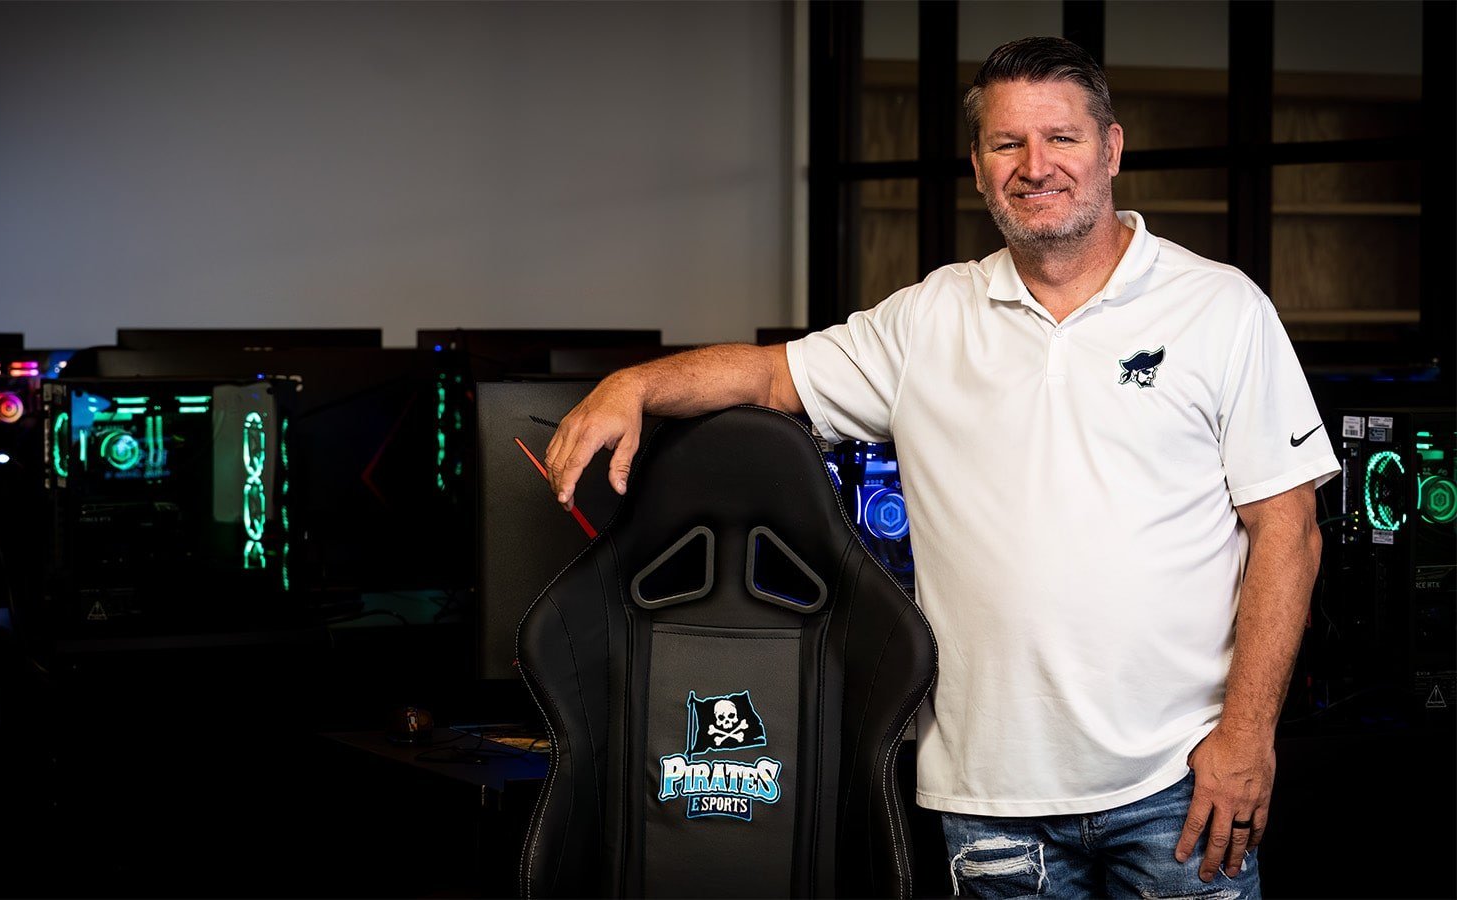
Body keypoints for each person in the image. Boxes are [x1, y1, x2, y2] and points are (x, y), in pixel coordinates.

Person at [543, 36, 1337, 898]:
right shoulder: (929, 318)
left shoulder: (1220, 309)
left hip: (1179, 786)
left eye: (1061, 138)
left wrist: (1248, 739)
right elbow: (773, 376)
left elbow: (1286, 530)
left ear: (1111, 148)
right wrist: (633, 384)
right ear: (979, 164)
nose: (1036, 166)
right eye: (1008, 144)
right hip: (990, 803)